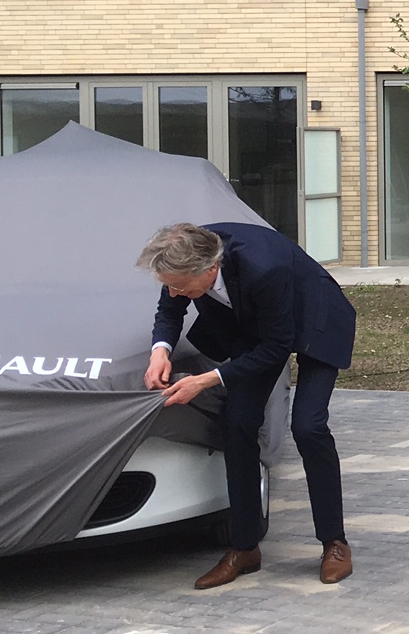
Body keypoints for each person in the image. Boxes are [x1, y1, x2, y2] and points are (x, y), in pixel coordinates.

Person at [139, 221, 358, 590]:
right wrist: (159, 351)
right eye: (169, 284)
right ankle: (244, 548)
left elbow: (277, 346)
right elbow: (170, 309)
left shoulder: (263, 267)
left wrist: (206, 379)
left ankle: (334, 543)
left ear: (210, 270)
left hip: (314, 318)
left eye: (179, 285)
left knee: (309, 426)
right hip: (255, 325)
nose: (174, 292)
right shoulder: (184, 257)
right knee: (238, 421)